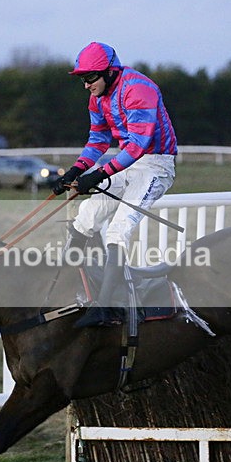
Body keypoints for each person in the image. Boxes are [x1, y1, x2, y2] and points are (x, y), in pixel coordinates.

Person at [52, 42, 178, 328]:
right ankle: (65, 281)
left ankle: (105, 307)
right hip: (128, 163)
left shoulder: (139, 89)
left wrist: (98, 175)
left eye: (89, 78)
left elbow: (137, 145)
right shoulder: (97, 97)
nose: (86, 85)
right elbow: (98, 140)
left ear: (109, 72)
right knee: (87, 215)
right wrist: (76, 170)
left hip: (156, 164)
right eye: (83, 79)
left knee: (118, 230)